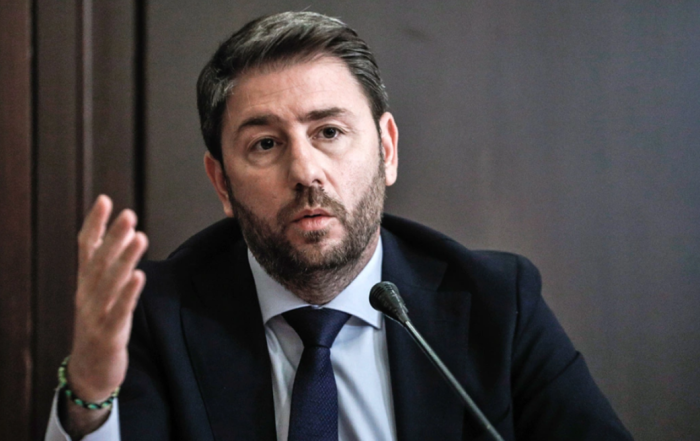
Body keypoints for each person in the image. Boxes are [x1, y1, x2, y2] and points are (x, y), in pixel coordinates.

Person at [46, 11, 633, 441]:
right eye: (266, 144)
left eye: (328, 132)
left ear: (387, 149)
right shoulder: (156, 314)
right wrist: (90, 392)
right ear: (222, 182)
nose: (305, 171)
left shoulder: (496, 303)